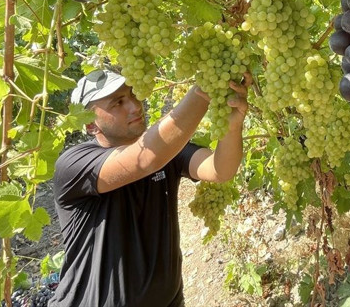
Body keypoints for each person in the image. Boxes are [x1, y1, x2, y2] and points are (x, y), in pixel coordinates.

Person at [49, 68, 251, 307]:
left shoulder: (167, 152)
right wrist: (205, 87)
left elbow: (220, 170)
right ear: (91, 125)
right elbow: (144, 160)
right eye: (118, 103)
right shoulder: (74, 164)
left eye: (133, 95)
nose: (135, 106)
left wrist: (232, 126)